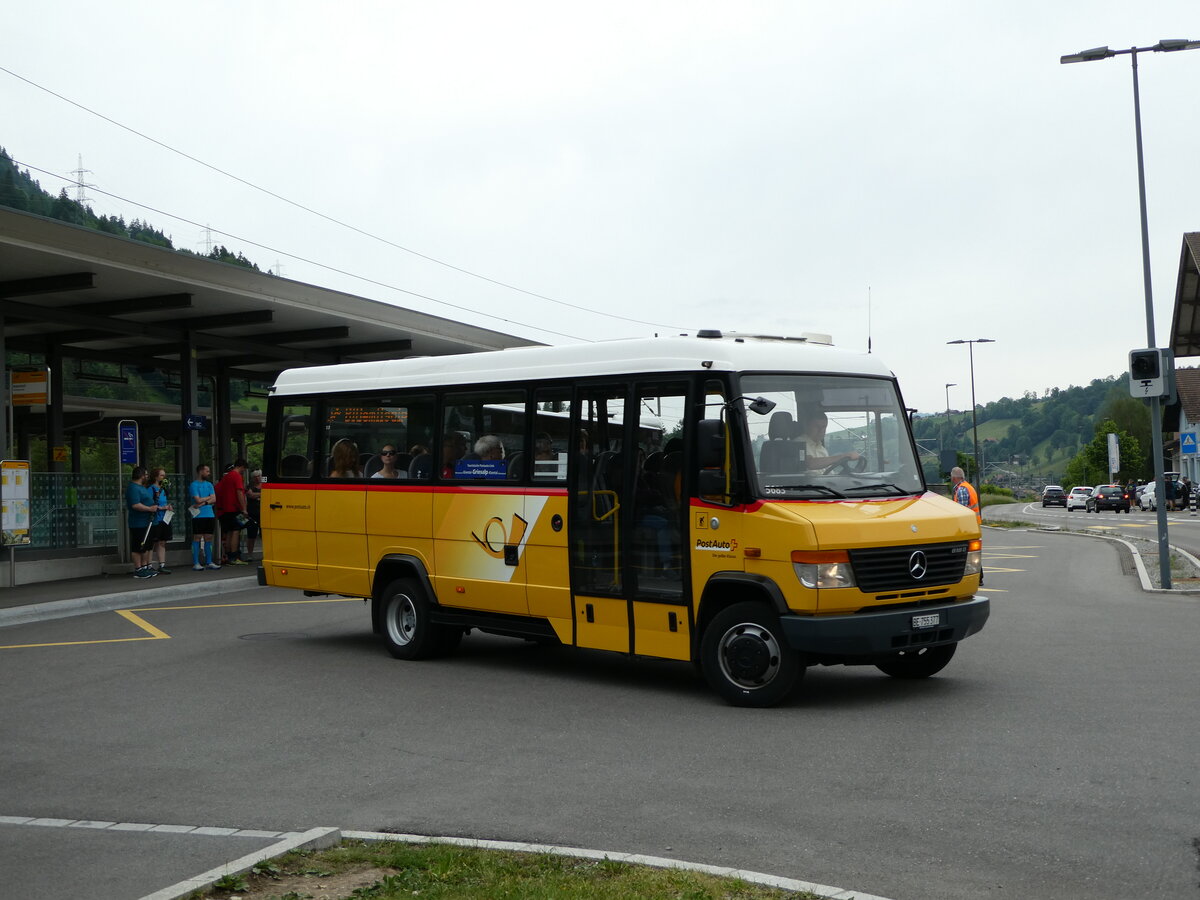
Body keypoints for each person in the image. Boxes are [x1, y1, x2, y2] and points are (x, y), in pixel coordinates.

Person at [125, 466, 158, 578]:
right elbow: (135, 505)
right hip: (138, 522)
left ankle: (144, 567)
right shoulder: (133, 488)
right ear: (141, 475)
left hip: (147, 522)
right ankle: (138, 569)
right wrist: (149, 509)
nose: (147, 477)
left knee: (146, 546)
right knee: (139, 546)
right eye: (146, 475)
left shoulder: (142, 487)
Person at [215, 459, 249, 566]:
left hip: (224, 510)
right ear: (241, 466)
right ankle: (234, 556)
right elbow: (239, 492)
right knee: (236, 531)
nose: (244, 471)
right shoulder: (236, 476)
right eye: (244, 469)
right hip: (234, 508)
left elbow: (217, 490)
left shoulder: (226, 477)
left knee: (229, 531)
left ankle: (229, 555)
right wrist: (244, 509)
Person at [189, 463, 220, 570]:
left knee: (208, 537)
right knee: (197, 537)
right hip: (198, 515)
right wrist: (208, 498)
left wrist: (204, 503)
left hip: (209, 514)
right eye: (207, 471)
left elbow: (214, 499)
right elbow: (197, 499)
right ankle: (196, 562)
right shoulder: (194, 485)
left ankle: (209, 561)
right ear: (201, 471)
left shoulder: (209, 484)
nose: (209, 473)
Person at [147, 467, 174, 574]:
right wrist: (161, 508)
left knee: (162, 542)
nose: (164, 477)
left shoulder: (163, 489)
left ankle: (162, 564)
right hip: (155, 519)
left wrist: (168, 507)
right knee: (153, 542)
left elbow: (163, 502)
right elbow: (149, 504)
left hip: (165, 518)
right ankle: (148, 564)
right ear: (156, 476)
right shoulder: (151, 489)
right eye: (162, 475)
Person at [244, 469, 262, 559]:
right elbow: (250, 495)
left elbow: (253, 494)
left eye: (258, 476)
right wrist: (261, 494)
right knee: (251, 535)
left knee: (264, 536)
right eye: (255, 477)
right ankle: (249, 554)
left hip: (263, 514)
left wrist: (255, 494)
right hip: (252, 514)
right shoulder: (249, 485)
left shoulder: (265, 485)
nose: (257, 478)